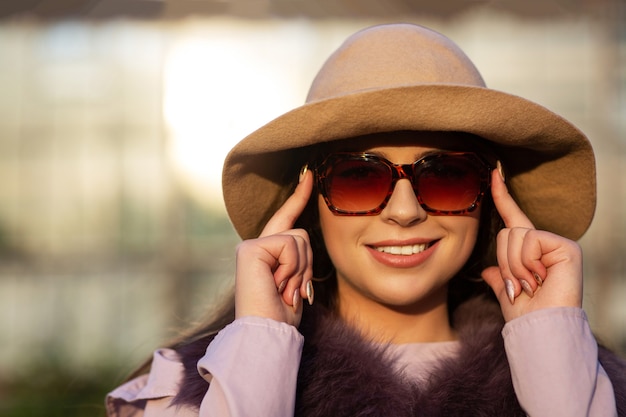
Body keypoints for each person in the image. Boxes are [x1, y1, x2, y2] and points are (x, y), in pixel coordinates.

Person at [106, 23, 626, 416]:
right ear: (311, 202)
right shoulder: (181, 393)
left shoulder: (592, 388)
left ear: (490, 198)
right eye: (359, 177)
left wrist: (554, 348)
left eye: (446, 175)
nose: (404, 211)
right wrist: (260, 342)